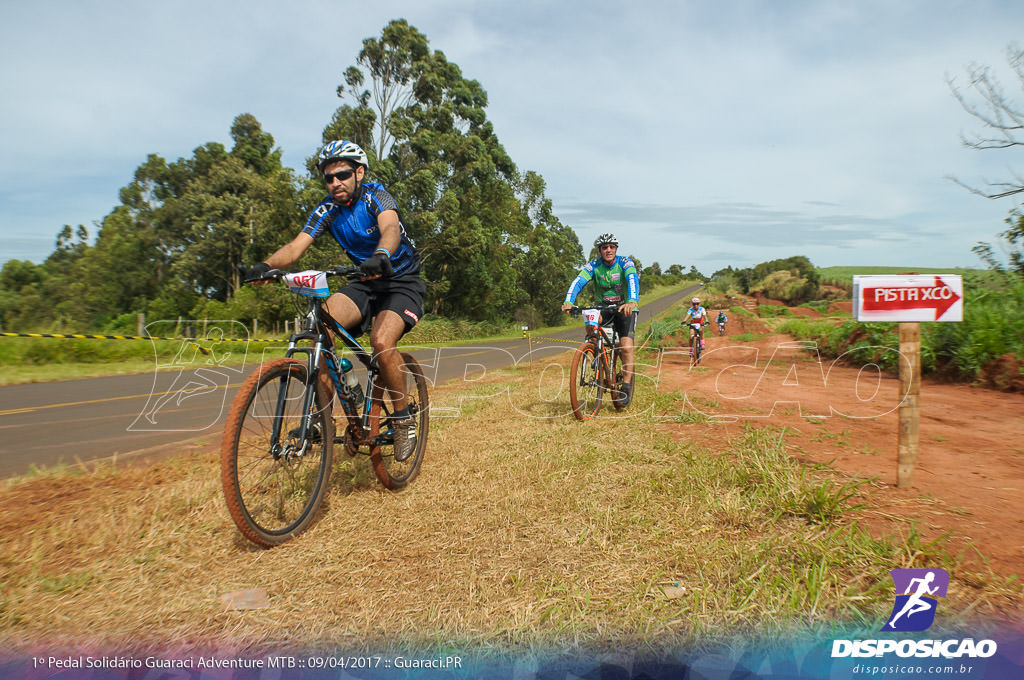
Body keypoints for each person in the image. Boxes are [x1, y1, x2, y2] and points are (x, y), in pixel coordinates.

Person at [243, 140, 424, 461]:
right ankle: (319, 417)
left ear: (359, 172)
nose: (335, 183)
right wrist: (266, 266)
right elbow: (296, 247)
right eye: (329, 178)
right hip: (365, 282)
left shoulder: (376, 197)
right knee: (319, 328)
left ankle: (402, 418)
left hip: (401, 282)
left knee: (381, 342)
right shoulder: (327, 209)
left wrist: (381, 254)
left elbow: (390, 229)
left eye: (342, 174)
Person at [561, 233, 639, 405]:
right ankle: (597, 354)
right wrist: (568, 301)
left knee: (626, 347)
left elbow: (632, 280)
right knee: (591, 324)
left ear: (616, 249)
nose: (608, 250)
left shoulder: (625, 263)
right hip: (603, 307)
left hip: (624, 308)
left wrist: (632, 301)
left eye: (611, 247)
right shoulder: (594, 265)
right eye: (604, 247)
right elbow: (578, 281)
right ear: (600, 250)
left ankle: (625, 385)